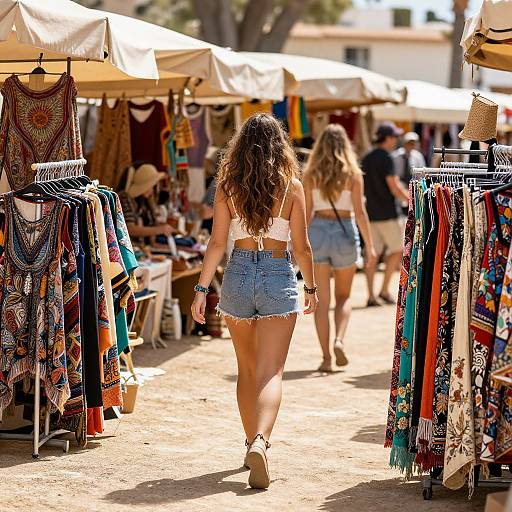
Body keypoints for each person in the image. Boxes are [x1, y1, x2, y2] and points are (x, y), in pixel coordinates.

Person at [191, 113, 318, 490]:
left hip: (238, 273)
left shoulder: (228, 185)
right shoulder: (292, 186)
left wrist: (201, 289)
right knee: (271, 372)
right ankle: (262, 441)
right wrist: (309, 289)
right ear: (280, 146)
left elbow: (216, 244)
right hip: (279, 273)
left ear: (240, 146)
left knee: (246, 370)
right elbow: (303, 247)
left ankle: (250, 443)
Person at [304, 124, 377, 372]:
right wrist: (370, 246)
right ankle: (339, 340)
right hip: (345, 230)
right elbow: (360, 212)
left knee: (321, 301)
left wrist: (298, 243)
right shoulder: (352, 174)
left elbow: (305, 213)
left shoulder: (311, 173)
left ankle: (325, 358)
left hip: (317, 231)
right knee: (344, 296)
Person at [362, 122, 409, 307]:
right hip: (388, 214)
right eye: (394, 137)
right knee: (397, 251)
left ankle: (371, 295)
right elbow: (394, 186)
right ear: (387, 138)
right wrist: (411, 200)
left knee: (371, 256)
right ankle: (383, 290)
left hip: (370, 214)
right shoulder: (387, 158)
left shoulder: (366, 158)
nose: (396, 140)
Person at [117, 163, 174, 244]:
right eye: (150, 186)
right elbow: (129, 229)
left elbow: (150, 224)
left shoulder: (142, 200)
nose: (151, 191)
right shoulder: (124, 198)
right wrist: (160, 230)